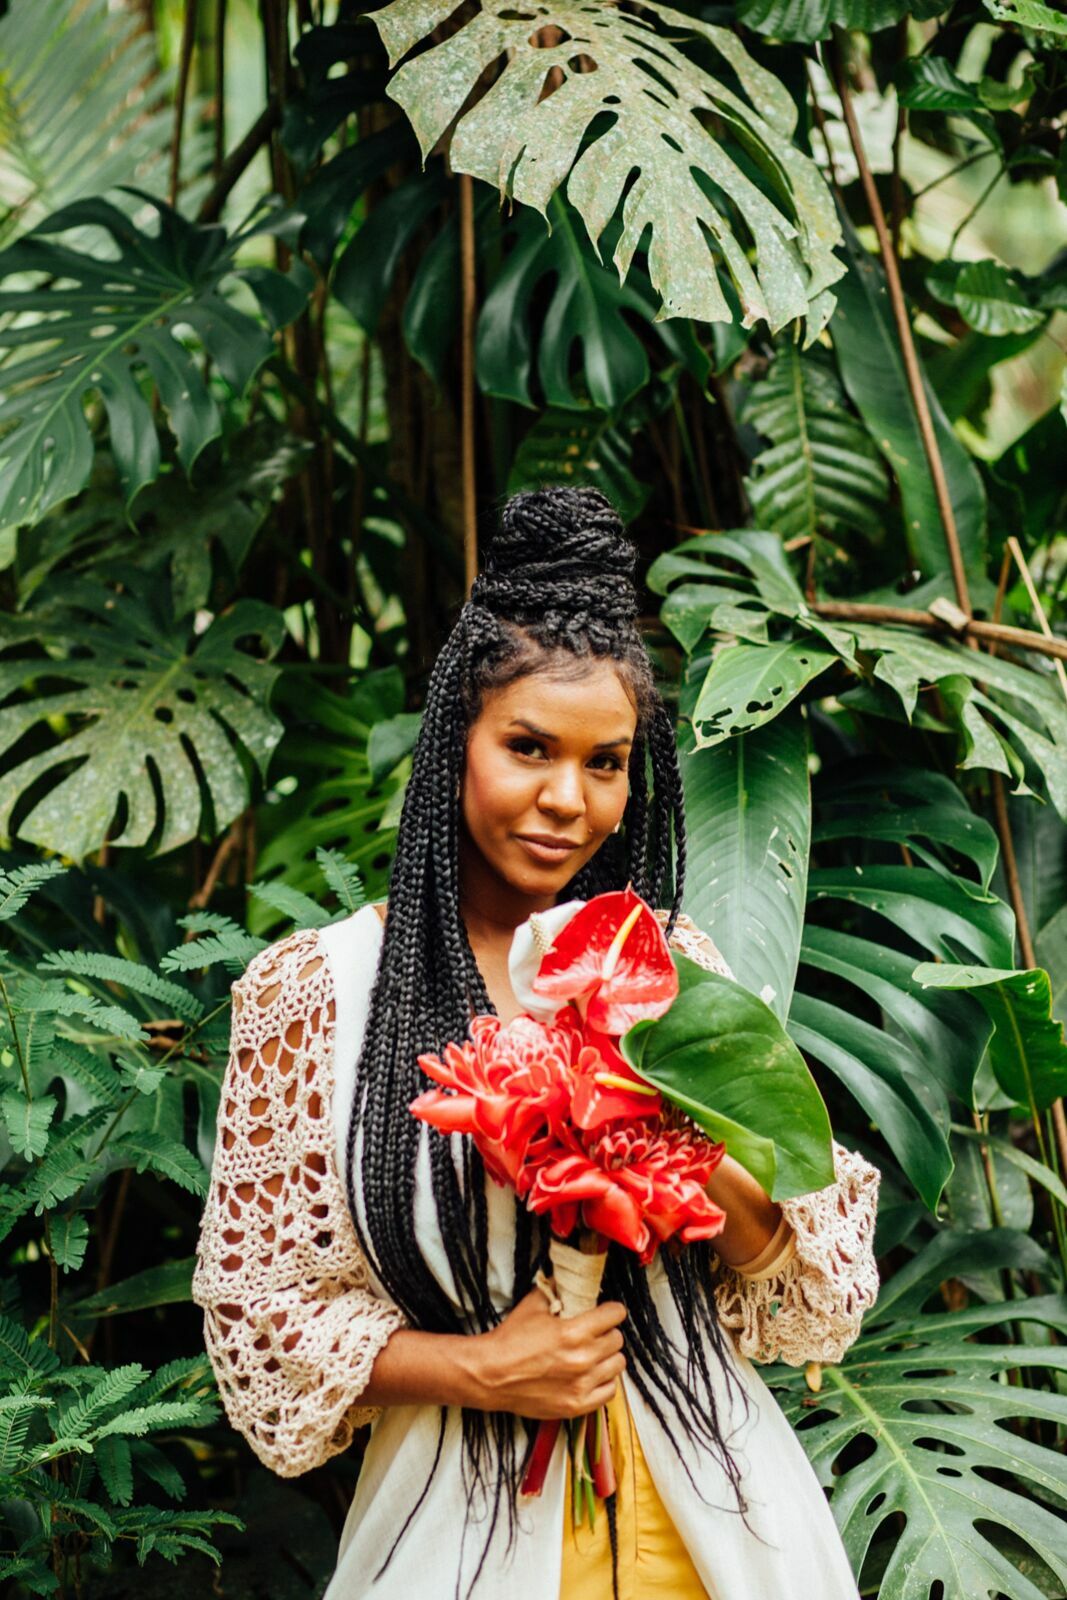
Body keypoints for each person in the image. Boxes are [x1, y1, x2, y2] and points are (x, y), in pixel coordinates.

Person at [192, 487, 880, 1600]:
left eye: (604, 762)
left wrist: (673, 1138)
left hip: (725, 1526)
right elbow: (263, 1316)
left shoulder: (665, 965)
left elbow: (809, 1285)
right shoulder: (320, 992)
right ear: (456, 739)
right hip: (457, 1532)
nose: (567, 797)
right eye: (527, 746)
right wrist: (483, 1371)